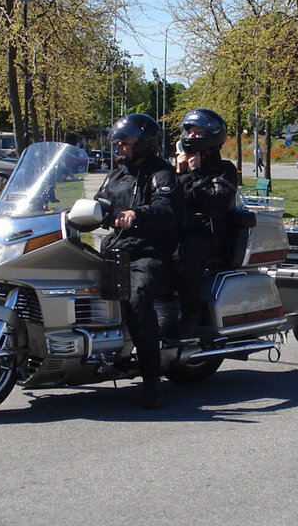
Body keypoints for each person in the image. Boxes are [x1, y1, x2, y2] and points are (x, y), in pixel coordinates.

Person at [95, 113, 183, 409]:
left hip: (149, 252)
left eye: (127, 140)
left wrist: (138, 214)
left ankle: (152, 382)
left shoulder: (161, 173)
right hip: (114, 249)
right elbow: (99, 204)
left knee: (136, 299)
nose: (120, 145)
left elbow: (167, 210)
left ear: (144, 143)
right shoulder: (116, 174)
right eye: (118, 140)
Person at [173, 108, 239, 343]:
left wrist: (196, 172)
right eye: (189, 130)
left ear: (212, 135)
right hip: (181, 229)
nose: (190, 136)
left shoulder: (225, 170)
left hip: (210, 235)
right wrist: (178, 174)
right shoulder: (182, 166)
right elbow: (171, 200)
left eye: (197, 131)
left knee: (183, 254)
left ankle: (191, 320)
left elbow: (214, 203)